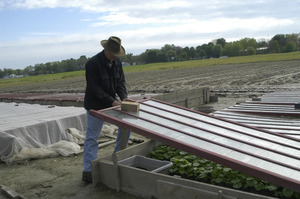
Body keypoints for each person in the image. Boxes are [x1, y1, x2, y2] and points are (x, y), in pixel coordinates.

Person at [82, 36, 134, 183]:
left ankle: (117, 157)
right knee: (92, 137)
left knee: (126, 126)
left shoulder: (117, 62)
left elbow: (120, 82)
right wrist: (112, 101)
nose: (114, 57)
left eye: (116, 54)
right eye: (112, 53)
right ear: (105, 49)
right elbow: (94, 88)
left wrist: (123, 98)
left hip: (113, 102)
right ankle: (88, 171)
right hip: (96, 105)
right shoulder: (93, 64)